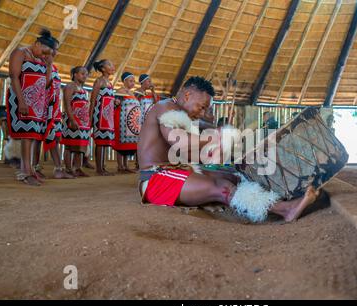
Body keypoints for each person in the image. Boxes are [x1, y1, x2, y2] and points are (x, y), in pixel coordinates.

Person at [137, 76, 318, 223]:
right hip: (155, 182)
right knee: (221, 186)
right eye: (201, 107)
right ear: (187, 95)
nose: (201, 113)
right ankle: (286, 210)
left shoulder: (181, 115)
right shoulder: (166, 107)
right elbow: (181, 143)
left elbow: (191, 154)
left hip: (176, 172)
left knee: (232, 176)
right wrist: (215, 137)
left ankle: (279, 200)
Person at [6, 29, 55, 186]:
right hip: (22, 99)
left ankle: (31, 169)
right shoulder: (20, 52)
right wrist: (21, 101)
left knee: (34, 135)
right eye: (44, 51)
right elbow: (14, 77)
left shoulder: (40, 59)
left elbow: (46, 83)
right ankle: (25, 171)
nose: (44, 55)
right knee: (27, 135)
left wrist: (49, 65)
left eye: (48, 54)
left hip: (37, 103)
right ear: (37, 43)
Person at [33, 39, 74, 180]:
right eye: (53, 49)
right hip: (41, 107)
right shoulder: (38, 63)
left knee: (55, 137)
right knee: (37, 138)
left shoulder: (54, 67)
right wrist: (49, 65)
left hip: (54, 108)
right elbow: (45, 83)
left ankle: (58, 168)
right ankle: (35, 167)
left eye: (56, 49)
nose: (55, 52)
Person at [61, 66, 91, 177]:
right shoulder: (70, 86)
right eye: (82, 73)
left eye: (86, 74)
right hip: (72, 119)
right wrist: (72, 119)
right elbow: (67, 104)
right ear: (75, 74)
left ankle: (78, 168)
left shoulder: (83, 90)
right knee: (69, 145)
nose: (85, 76)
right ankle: (68, 168)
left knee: (80, 146)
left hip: (83, 122)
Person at [89, 59, 116, 176]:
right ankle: (99, 169)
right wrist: (90, 117)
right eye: (109, 64)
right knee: (100, 141)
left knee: (105, 141)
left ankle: (103, 167)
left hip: (107, 117)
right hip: (99, 115)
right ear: (103, 68)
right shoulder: (99, 81)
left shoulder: (110, 83)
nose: (112, 66)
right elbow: (93, 99)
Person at [114, 72, 140, 173]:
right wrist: (116, 102)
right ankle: (120, 166)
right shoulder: (120, 91)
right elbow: (116, 104)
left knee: (127, 145)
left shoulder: (131, 93)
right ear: (124, 81)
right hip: (122, 122)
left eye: (134, 81)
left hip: (130, 125)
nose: (133, 83)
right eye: (130, 81)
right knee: (121, 145)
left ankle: (125, 166)